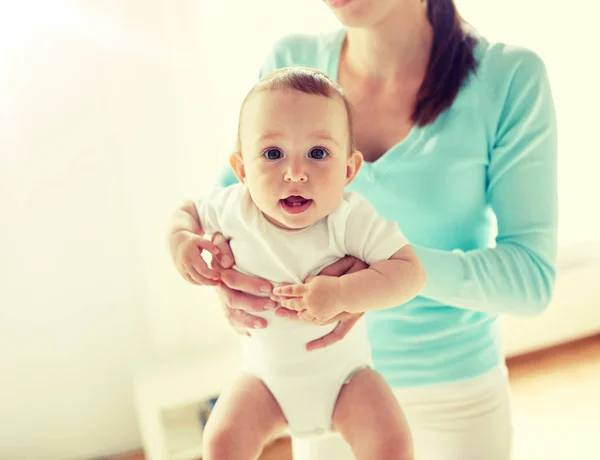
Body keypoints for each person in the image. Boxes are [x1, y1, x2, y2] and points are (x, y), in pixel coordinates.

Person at [168, 0, 557, 459]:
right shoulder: (289, 67)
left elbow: (531, 280)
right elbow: (225, 213)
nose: (294, 172)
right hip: (313, 381)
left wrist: (376, 277)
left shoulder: (509, 79)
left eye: (317, 154)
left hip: (454, 392)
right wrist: (222, 277)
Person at [170, 67, 426, 460]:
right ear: (241, 170)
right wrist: (181, 240)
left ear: (348, 170)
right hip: (265, 383)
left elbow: (410, 273)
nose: (295, 173)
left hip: (346, 381)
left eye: (318, 153)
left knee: (392, 444)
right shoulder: (234, 208)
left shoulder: (348, 218)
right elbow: (186, 210)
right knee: (220, 443)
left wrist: (344, 292)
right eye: (273, 154)